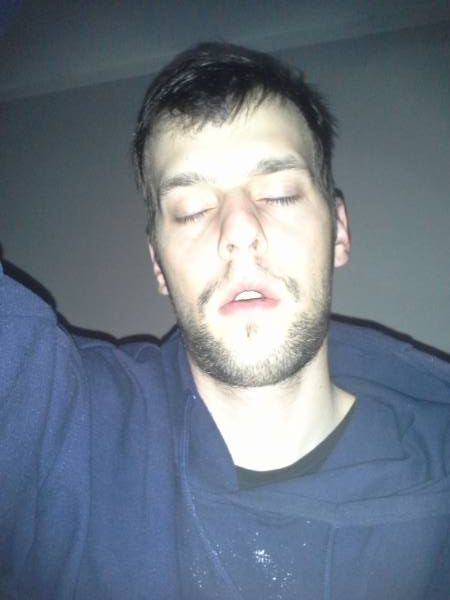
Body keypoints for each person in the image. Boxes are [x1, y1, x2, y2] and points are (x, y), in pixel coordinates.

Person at [1, 42, 449, 600]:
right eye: (192, 209)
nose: (239, 230)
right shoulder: (62, 435)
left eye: (279, 195)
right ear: (158, 264)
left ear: (338, 231)